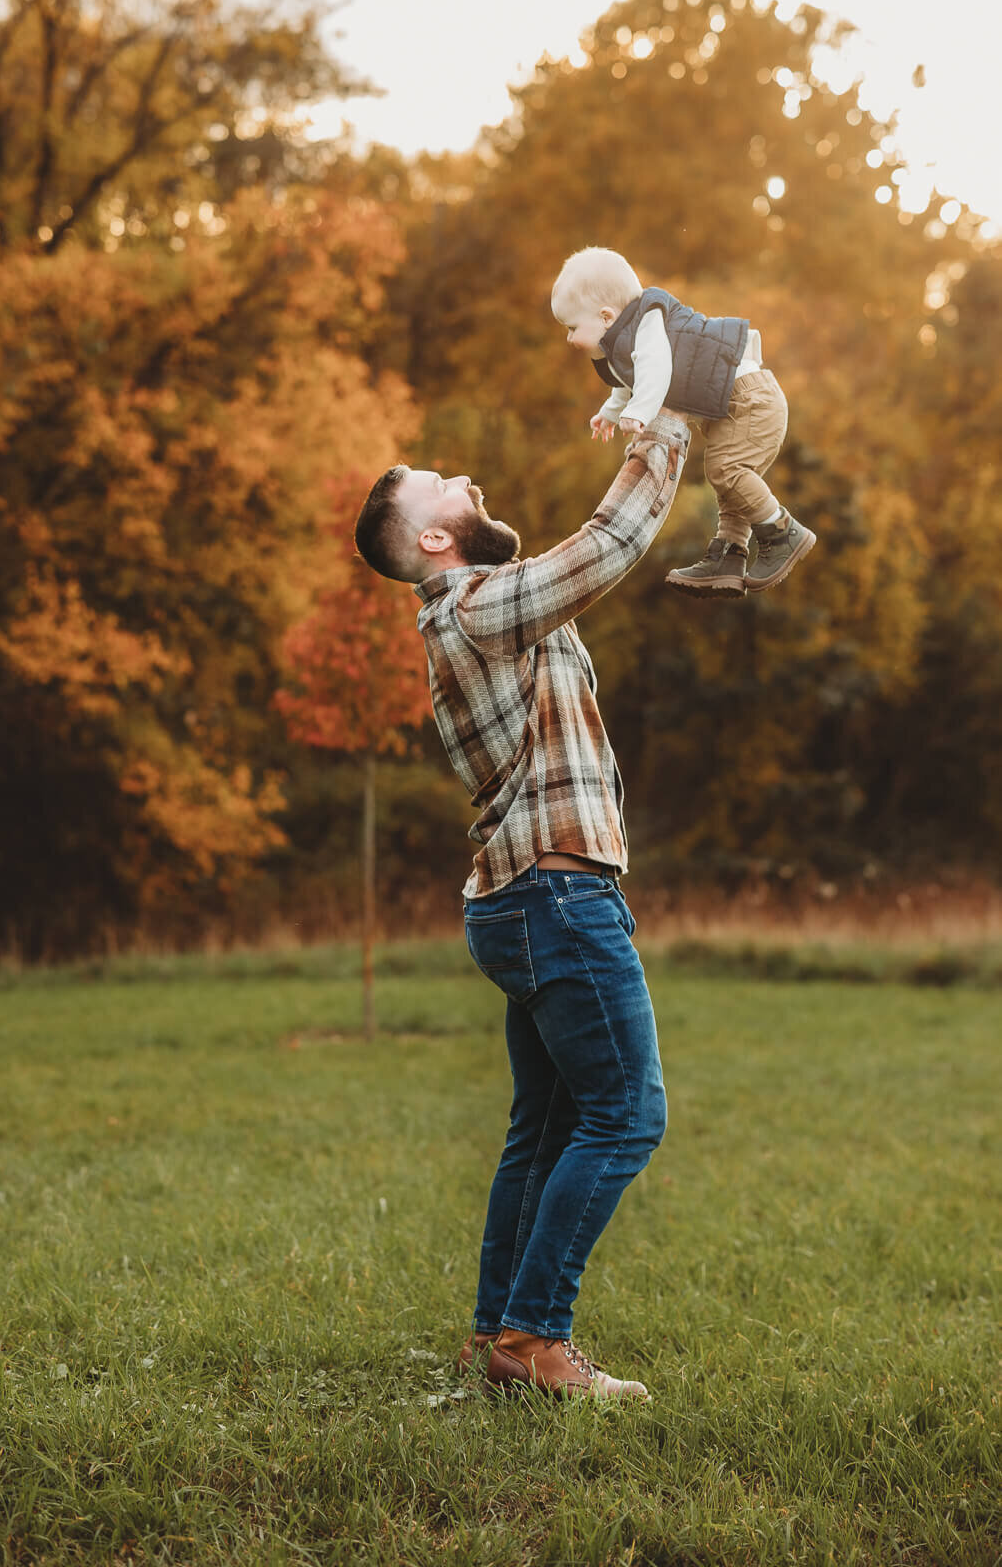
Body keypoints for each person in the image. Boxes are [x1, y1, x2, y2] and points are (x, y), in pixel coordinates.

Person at [353, 411, 689, 1400]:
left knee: (543, 1127)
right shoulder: (473, 605)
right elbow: (610, 544)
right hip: (553, 891)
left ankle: (494, 1338)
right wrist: (663, 430)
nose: (465, 477)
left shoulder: (473, 612)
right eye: (441, 484)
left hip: (521, 892)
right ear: (430, 539)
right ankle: (533, 1339)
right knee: (627, 1111)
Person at [551, 244, 815, 598]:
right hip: (737, 404)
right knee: (727, 483)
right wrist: (611, 412)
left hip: (752, 399)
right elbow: (630, 382)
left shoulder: (647, 322)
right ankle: (729, 556)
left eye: (571, 327)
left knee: (726, 470)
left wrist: (638, 413)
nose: (568, 338)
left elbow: (655, 370)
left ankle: (783, 531)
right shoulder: (625, 335)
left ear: (605, 317)